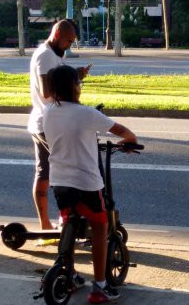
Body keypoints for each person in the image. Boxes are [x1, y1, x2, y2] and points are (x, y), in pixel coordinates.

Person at [43, 65, 138, 303]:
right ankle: (100, 286)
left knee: (70, 224)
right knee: (99, 227)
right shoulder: (86, 113)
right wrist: (130, 141)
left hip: (59, 181)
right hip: (86, 182)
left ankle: (70, 274)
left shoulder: (47, 112)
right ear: (75, 86)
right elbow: (124, 131)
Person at [27, 19, 89, 230]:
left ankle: (56, 222)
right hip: (47, 124)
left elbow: (57, 81)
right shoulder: (45, 56)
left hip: (49, 122)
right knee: (55, 172)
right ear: (57, 36)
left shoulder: (52, 55)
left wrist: (74, 75)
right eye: (68, 41)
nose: (69, 45)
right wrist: (72, 78)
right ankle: (51, 223)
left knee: (48, 171)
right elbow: (47, 92)